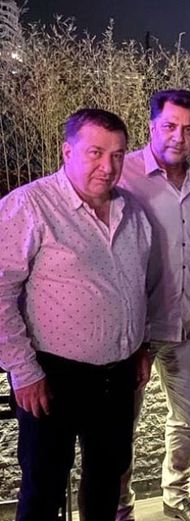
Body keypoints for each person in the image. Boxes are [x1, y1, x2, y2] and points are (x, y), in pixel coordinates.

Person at [0, 109, 152, 521]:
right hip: (52, 376)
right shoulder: (29, 206)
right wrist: (23, 371)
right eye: (95, 153)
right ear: (67, 152)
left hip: (118, 376)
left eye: (117, 155)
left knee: (106, 480)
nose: (108, 166)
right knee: (44, 487)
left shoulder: (134, 212)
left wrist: (142, 345)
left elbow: (138, 287)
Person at [117, 89, 190, 521]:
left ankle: (177, 496)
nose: (179, 136)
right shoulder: (122, 175)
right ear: (152, 125)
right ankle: (120, 506)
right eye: (170, 126)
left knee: (188, 420)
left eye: (189, 129)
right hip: (136, 332)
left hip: (186, 325)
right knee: (122, 427)